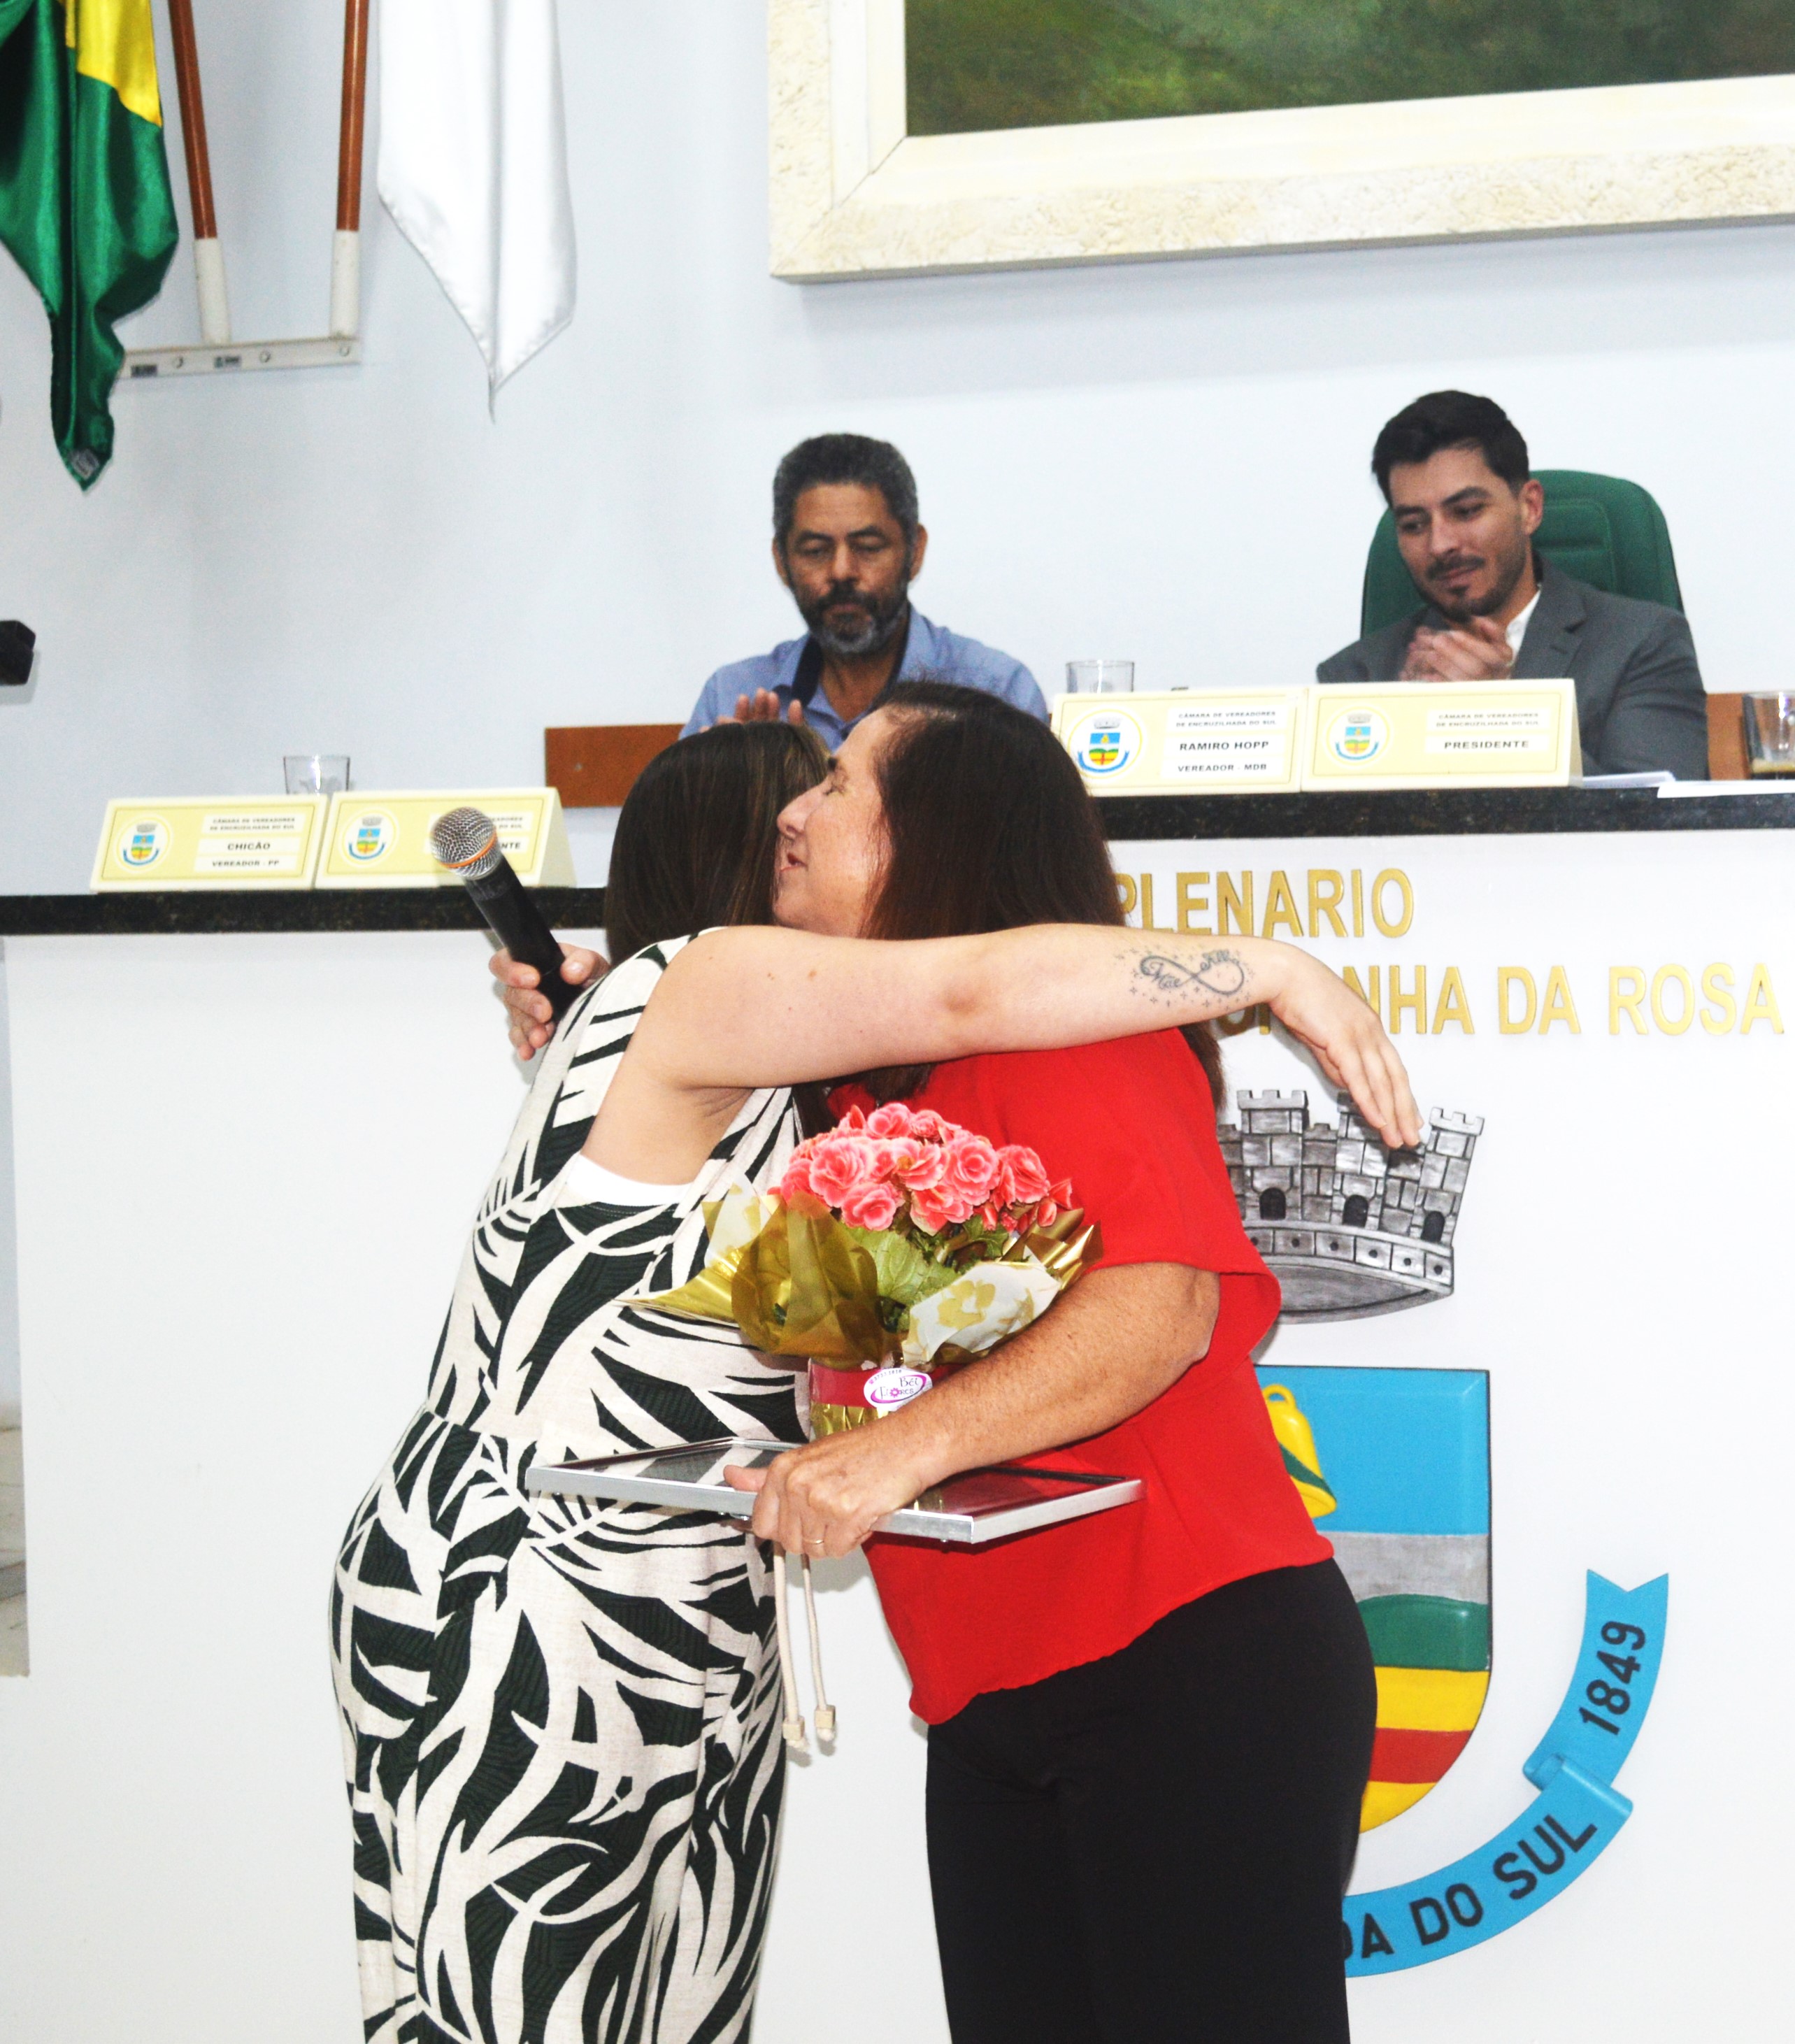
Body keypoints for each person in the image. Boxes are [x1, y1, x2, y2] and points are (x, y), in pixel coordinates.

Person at [502, 689, 1411, 2043]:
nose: (793, 813)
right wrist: (594, 1006)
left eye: (840, 786)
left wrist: (899, 1452)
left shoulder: (1080, 1040)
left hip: (1185, 1667)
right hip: (992, 1700)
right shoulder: (850, 1079)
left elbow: (1158, 1308)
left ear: (937, 835)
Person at [1317, 390, 1708, 780]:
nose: (1440, 545)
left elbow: (1650, 812)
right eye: (1414, 525)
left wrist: (1499, 718)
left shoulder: (1644, 645)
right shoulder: (1355, 678)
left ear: (1529, 508)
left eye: (1466, 511)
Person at [680, 432, 1045, 743]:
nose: (841, 571)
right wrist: (739, 786)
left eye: (868, 548)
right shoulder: (732, 697)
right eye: (816, 551)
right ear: (781, 561)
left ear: (915, 551)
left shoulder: (996, 691)